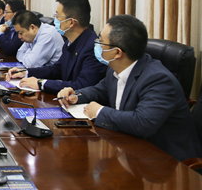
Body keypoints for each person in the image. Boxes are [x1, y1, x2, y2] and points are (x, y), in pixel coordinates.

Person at [56, 15, 202, 162]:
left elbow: (142, 123)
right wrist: (75, 95)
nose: (97, 44)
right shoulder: (116, 68)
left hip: (166, 161)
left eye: (101, 41)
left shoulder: (158, 79)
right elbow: (100, 90)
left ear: (117, 53)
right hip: (129, 148)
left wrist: (99, 112)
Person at [7, 0, 106, 94]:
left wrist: (41, 83)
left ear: (71, 22)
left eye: (58, 16)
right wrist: (26, 73)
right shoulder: (69, 42)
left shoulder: (92, 48)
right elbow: (57, 69)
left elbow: (81, 86)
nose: (55, 20)